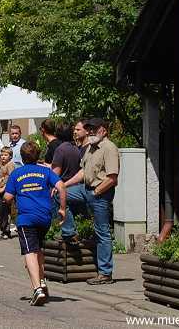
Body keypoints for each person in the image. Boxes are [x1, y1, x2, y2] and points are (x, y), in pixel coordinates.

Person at [3, 142, 67, 306]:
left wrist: (8, 196)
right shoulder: (45, 171)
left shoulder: (17, 173)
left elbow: (8, 197)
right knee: (38, 249)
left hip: (26, 219)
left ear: (22, 158)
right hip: (44, 218)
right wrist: (62, 209)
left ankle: (37, 288)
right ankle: (42, 280)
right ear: (38, 155)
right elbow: (61, 186)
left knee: (29, 252)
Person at [64, 118, 119, 285]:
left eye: (94, 128)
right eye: (89, 128)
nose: (91, 131)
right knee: (60, 195)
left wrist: (96, 192)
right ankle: (69, 233)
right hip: (86, 189)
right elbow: (83, 172)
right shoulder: (90, 148)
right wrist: (63, 185)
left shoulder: (109, 148)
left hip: (100, 193)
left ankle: (105, 273)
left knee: (102, 232)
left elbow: (112, 178)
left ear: (104, 130)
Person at [0, 147, 16, 240]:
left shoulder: (10, 165)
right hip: (1, 190)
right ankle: (3, 231)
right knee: (0, 211)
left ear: (10, 156)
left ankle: (6, 231)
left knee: (5, 212)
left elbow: (11, 178)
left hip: (6, 191)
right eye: (2, 155)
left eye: (5, 155)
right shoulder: (2, 165)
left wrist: (3, 188)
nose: (3, 157)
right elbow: (1, 177)